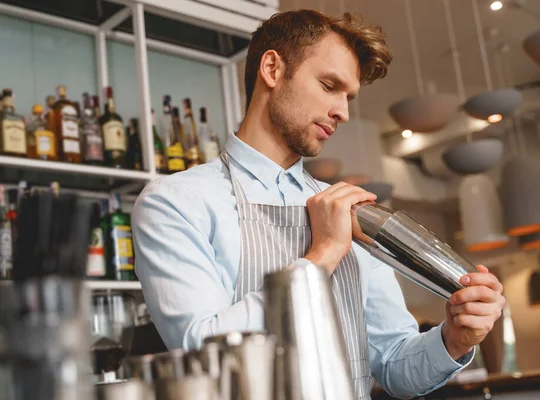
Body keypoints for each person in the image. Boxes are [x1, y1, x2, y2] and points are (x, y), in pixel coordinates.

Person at [132, 9, 506, 399]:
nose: (343, 112)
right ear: (273, 69)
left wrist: (453, 341)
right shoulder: (176, 202)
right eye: (330, 85)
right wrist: (323, 254)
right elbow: (203, 351)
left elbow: (395, 364)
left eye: (349, 97)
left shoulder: (352, 210)